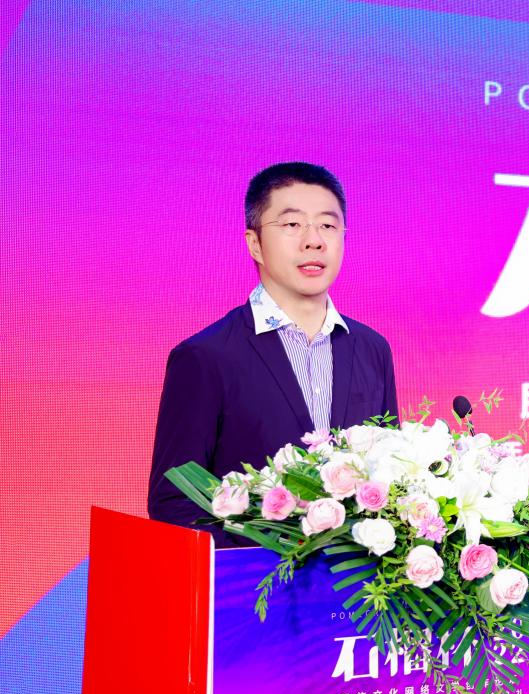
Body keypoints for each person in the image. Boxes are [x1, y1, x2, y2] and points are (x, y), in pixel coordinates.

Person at [147, 162, 398, 543]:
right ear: (255, 244)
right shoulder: (205, 357)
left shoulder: (372, 350)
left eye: (328, 225)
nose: (314, 240)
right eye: (292, 224)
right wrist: (268, 553)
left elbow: (391, 475)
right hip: (257, 577)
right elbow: (174, 504)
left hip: (355, 580)